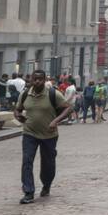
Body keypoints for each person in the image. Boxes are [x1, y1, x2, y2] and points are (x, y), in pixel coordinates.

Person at [13, 69, 72, 204]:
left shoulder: (53, 94)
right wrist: (18, 116)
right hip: (29, 133)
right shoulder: (25, 94)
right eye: (35, 79)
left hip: (49, 135)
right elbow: (17, 109)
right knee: (27, 162)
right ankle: (28, 192)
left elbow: (68, 108)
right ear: (31, 80)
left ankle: (46, 184)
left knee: (48, 164)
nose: (37, 81)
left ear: (45, 80)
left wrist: (56, 121)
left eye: (40, 79)